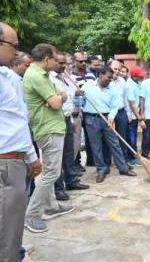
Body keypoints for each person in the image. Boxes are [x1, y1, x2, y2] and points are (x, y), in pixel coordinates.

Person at [0, 21, 42, 262]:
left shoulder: (7, 75)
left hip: (13, 161)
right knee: (8, 233)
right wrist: (32, 157)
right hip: (6, 163)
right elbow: (16, 123)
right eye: (12, 45)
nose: (16, 51)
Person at [23, 43, 73, 233]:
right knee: (51, 172)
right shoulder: (37, 76)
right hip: (48, 128)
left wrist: (58, 98)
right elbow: (55, 102)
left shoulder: (40, 75)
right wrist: (58, 97)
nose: (56, 62)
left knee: (50, 171)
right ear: (46, 59)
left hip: (50, 127)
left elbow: (59, 99)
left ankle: (51, 206)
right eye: (54, 58)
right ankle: (32, 214)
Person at [82, 66, 137, 183]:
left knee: (115, 144)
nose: (110, 80)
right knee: (96, 146)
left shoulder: (112, 89)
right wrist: (77, 96)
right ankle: (101, 169)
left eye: (112, 78)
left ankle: (123, 168)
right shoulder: (87, 87)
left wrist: (111, 118)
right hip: (91, 119)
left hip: (107, 118)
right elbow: (79, 103)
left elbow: (114, 106)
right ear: (101, 75)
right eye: (108, 77)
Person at [50, 52, 89, 201]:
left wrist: (78, 93)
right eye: (60, 63)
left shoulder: (66, 78)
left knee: (69, 152)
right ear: (53, 62)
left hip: (69, 118)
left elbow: (72, 98)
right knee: (57, 156)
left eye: (65, 63)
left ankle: (71, 181)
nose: (63, 66)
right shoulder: (50, 79)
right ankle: (58, 188)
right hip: (57, 119)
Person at [71, 51, 96, 169]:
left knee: (90, 135)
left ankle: (91, 159)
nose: (84, 63)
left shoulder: (91, 75)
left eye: (85, 61)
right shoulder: (71, 77)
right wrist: (78, 109)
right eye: (81, 61)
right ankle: (76, 162)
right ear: (74, 61)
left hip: (90, 110)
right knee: (75, 138)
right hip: (77, 111)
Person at [110, 60, 135, 167]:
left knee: (122, 138)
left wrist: (128, 113)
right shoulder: (105, 81)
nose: (117, 72)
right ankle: (108, 162)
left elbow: (126, 99)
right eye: (115, 69)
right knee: (110, 138)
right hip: (108, 114)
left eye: (119, 70)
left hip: (121, 113)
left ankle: (122, 161)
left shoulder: (122, 81)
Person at [126, 65, 145, 160]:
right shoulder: (130, 86)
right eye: (139, 76)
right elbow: (132, 104)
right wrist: (139, 117)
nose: (142, 77)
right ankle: (132, 157)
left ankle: (134, 155)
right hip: (132, 115)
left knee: (134, 135)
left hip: (135, 114)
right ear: (134, 76)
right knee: (131, 137)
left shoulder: (137, 83)